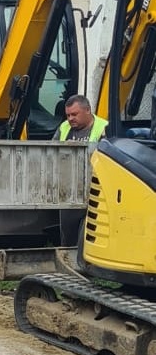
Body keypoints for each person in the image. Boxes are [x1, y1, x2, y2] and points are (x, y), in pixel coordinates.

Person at [53, 94, 108, 244]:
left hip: (95, 189)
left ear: (88, 110)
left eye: (74, 114)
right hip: (69, 190)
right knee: (68, 232)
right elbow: (51, 151)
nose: (70, 118)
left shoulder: (103, 128)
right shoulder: (64, 127)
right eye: (68, 115)